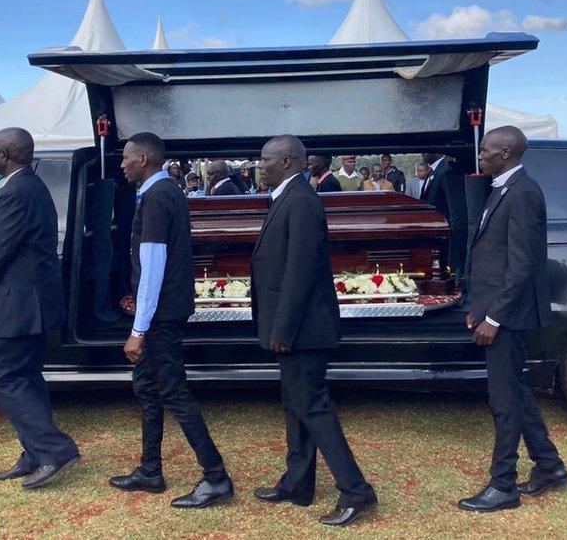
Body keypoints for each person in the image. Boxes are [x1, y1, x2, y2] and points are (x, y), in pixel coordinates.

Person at [251, 135, 377, 527]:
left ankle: (356, 491)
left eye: (265, 159)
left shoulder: (302, 201)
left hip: (303, 329)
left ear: (287, 161)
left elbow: (300, 271)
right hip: (295, 327)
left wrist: (282, 328)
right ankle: (297, 482)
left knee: (313, 407)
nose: (259, 165)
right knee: (295, 404)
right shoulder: (288, 196)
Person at [111, 133, 234, 508]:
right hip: (163, 313)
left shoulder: (158, 196)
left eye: (127, 158)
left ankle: (216, 477)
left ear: (144, 158)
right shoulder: (163, 193)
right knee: (146, 388)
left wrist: (138, 330)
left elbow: (153, 268)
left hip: (160, 316)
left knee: (173, 392)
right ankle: (150, 470)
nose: (122, 165)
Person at [458, 126, 567, 513]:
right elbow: (493, 256)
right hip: (495, 307)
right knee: (517, 393)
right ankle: (550, 467)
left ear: (506, 152)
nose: (481, 155)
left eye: (486, 150)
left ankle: (502, 484)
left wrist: (494, 317)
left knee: (503, 400)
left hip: (507, 317)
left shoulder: (522, 192)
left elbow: (522, 266)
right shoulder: (501, 188)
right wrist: (478, 304)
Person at [0, 128, 79, 490]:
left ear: (3, 154)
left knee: (0, 377)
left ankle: (53, 448)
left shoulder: (16, 192)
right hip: (30, 303)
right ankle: (33, 453)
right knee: (26, 378)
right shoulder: (31, 186)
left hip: (16, 305)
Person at [420, 153, 450, 218]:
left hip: (442, 220)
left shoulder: (445, 169)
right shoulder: (432, 170)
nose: (422, 153)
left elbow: (448, 201)